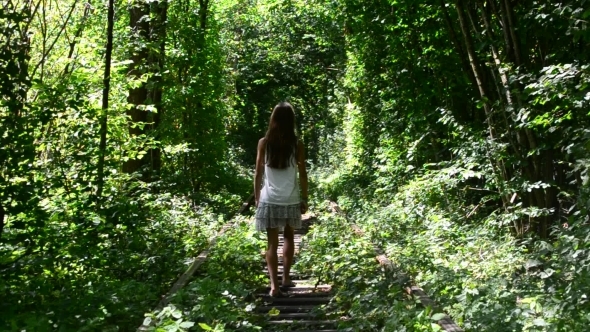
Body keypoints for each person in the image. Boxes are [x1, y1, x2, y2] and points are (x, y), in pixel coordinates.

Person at [254, 101, 308, 297]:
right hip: (290, 198)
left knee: (271, 242)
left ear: (273, 120)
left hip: (269, 198)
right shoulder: (297, 144)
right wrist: (305, 198)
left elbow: (258, 172)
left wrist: (258, 197)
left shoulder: (264, 143)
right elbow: (302, 174)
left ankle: (274, 286)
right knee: (288, 236)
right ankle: (285, 277)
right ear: (291, 121)